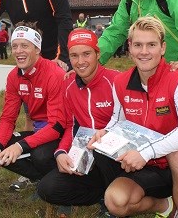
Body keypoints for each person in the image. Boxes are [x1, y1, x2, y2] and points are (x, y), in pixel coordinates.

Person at [89, 17, 178, 218]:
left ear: (163, 48)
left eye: (151, 45)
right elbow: (117, 119)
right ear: (129, 47)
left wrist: (147, 152)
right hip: (147, 166)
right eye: (138, 45)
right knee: (114, 201)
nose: (144, 52)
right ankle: (166, 206)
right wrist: (105, 132)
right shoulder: (121, 82)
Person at [37, 28, 120, 217]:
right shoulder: (68, 85)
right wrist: (60, 152)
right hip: (87, 157)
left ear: (98, 54)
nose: (80, 62)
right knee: (47, 189)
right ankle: (103, 195)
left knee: (101, 145)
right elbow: (70, 126)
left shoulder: (117, 80)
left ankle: (116, 200)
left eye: (86, 54)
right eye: (74, 56)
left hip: (116, 159)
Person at [0, 24, 67, 189]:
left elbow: (57, 126)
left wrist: (20, 145)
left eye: (24, 45)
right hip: (40, 130)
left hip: (61, 132)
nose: (18, 51)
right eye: (14, 46)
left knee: (39, 156)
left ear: (37, 49)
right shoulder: (14, 76)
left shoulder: (54, 74)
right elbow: (8, 118)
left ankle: (63, 185)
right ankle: (43, 181)